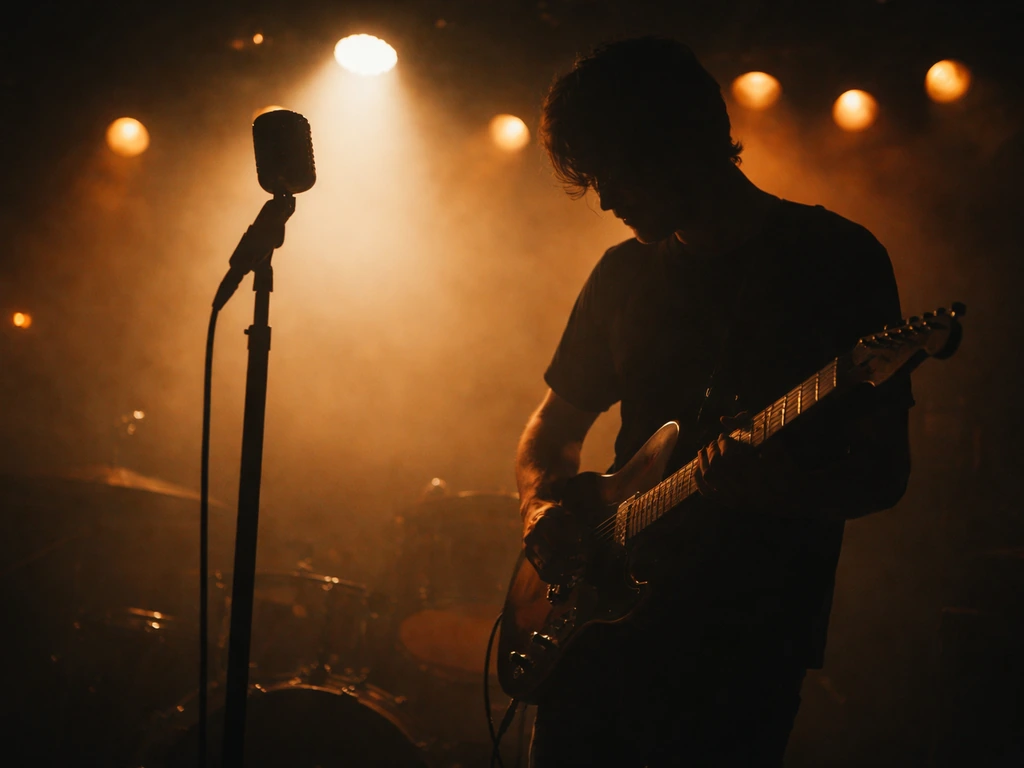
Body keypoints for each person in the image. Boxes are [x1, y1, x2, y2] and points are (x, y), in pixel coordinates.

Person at [516, 37, 914, 766]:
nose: (604, 199)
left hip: (744, 644)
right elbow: (551, 428)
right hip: (600, 632)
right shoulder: (621, 274)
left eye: (617, 172)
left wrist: (786, 492)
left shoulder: (836, 259)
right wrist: (541, 506)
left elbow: (887, 471)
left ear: (677, 142)